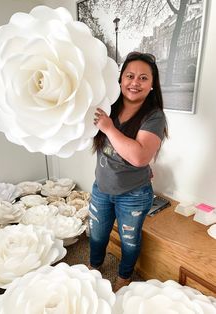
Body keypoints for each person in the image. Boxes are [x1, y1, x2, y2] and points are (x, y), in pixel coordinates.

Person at [88, 51, 168, 292]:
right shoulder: (107, 105)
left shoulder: (155, 116)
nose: (135, 82)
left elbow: (140, 156)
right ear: (120, 79)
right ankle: (93, 269)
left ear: (152, 85)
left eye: (143, 78)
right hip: (101, 188)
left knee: (129, 242)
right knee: (97, 236)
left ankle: (123, 278)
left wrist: (110, 129)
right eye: (130, 76)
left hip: (134, 195)